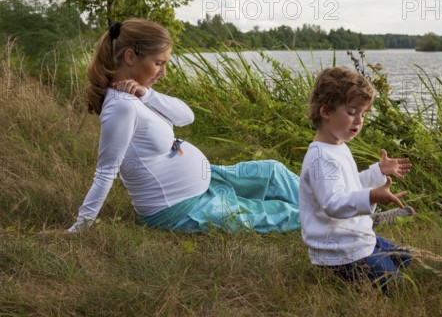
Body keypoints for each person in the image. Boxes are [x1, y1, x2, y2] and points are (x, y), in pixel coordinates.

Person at [68, 18, 300, 234]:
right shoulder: (121, 106)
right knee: (285, 213)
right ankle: (330, 216)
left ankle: (330, 201)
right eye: (158, 63)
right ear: (130, 57)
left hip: (206, 179)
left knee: (273, 171)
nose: (164, 73)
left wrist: (147, 94)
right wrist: (80, 227)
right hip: (184, 208)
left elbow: (186, 116)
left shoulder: (136, 94)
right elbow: (106, 171)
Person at [299, 66, 413, 293]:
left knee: (406, 259)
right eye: (352, 112)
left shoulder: (337, 146)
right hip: (339, 250)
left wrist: (377, 172)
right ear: (326, 111)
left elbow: (350, 186)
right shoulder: (321, 159)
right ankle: (337, 274)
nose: (359, 121)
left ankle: (371, 248)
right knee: (398, 287)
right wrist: (372, 196)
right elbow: (334, 204)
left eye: (363, 114)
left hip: (352, 235)